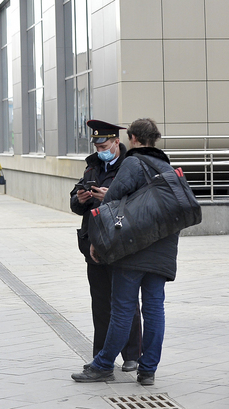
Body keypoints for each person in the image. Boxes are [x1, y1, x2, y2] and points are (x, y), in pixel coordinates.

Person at [72, 118, 177, 386]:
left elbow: (110, 203)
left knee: (121, 309)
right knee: (154, 310)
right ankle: (147, 370)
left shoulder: (133, 163)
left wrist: (97, 243)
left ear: (131, 138)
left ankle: (104, 364)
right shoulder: (166, 165)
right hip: (162, 249)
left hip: (134, 250)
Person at [69, 120, 142, 374]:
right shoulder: (92, 166)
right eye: (97, 144)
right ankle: (101, 358)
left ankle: (133, 354)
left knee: (126, 301)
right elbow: (75, 203)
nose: (100, 148)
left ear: (115, 142)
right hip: (94, 245)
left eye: (104, 144)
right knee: (100, 304)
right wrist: (79, 199)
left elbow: (140, 202)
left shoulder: (130, 166)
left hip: (122, 243)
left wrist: (108, 196)